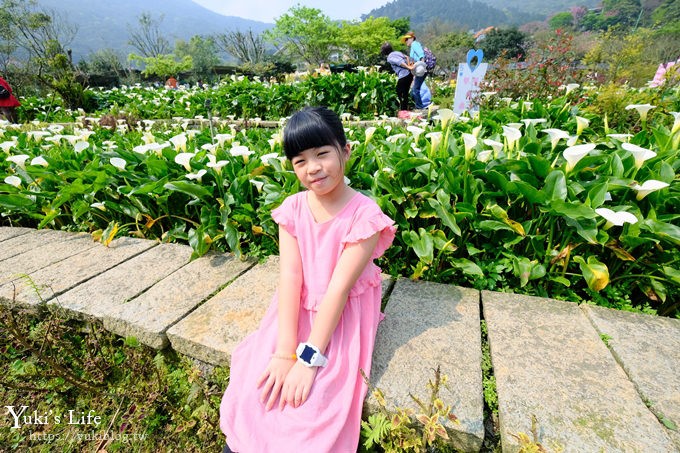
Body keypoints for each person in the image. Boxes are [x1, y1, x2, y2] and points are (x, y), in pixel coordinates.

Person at [219, 106, 396, 453]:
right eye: (300, 160)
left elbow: (338, 290)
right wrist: (285, 353)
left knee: (312, 407)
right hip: (297, 310)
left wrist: (308, 359)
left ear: (345, 151)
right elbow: (290, 277)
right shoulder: (294, 208)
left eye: (322, 154)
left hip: (339, 318)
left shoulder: (365, 216)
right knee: (259, 387)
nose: (312, 167)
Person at [381, 41, 414, 113]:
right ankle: (405, 110)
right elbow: (407, 57)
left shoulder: (390, 57)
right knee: (405, 93)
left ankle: (403, 111)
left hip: (403, 75)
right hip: (409, 75)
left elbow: (399, 62)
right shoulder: (397, 52)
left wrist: (408, 67)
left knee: (399, 92)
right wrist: (409, 66)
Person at [401, 31, 429, 110]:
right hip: (419, 69)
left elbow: (421, 54)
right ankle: (419, 106)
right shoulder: (413, 46)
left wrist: (422, 65)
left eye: (407, 39)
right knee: (415, 89)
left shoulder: (414, 44)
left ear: (412, 38)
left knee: (415, 89)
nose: (406, 41)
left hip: (421, 69)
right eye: (405, 39)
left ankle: (419, 107)